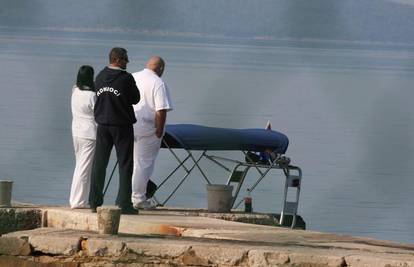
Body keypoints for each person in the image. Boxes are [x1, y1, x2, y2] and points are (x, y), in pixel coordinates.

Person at [89, 47, 140, 214]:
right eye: (126, 58)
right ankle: (124, 203)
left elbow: (96, 95)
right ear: (117, 59)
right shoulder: (126, 78)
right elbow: (135, 98)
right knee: (125, 164)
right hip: (121, 125)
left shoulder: (100, 76)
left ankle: (94, 202)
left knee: (99, 163)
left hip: (102, 124)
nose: (128, 61)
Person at [131, 56, 173, 209]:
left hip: (129, 126)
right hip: (148, 130)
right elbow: (161, 109)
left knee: (132, 164)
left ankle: (127, 196)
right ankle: (138, 199)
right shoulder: (158, 82)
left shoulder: (133, 76)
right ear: (160, 68)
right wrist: (159, 130)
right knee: (144, 164)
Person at [69, 65, 97, 209]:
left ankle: (76, 199)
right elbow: (98, 114)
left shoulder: (75, 90)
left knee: (79, 165)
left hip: (76, 131)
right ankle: (78, 201)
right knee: (84, 168)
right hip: (89, 134)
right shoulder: (92, 96)